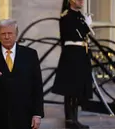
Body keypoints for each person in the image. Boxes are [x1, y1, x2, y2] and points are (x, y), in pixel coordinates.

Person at [0, 19, 44, 129]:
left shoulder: (30, 55)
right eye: (3, 34)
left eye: (10, 33)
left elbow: (37, 86)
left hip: (23, 117)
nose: (7, 37)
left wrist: (37, 114)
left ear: (16, 34)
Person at [52, 0, 93, 129]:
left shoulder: (79, 16)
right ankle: (70, 120)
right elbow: (75, 34)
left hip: (81, 55)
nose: (81, 1)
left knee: (78, 89)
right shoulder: (66, 16)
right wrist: (87, 25)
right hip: (72, 56)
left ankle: (75, 119)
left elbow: (84, 37)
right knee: (70, 89)